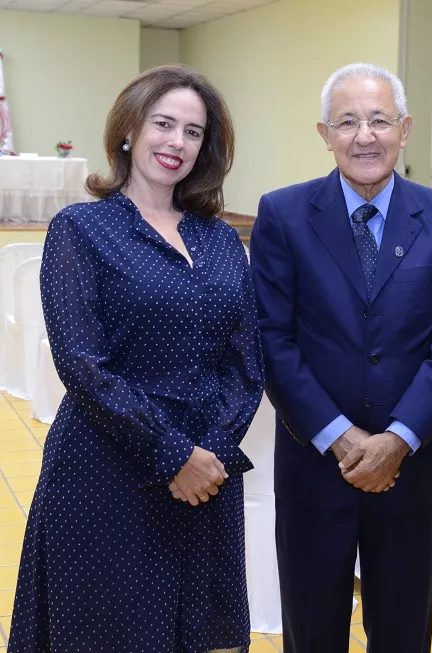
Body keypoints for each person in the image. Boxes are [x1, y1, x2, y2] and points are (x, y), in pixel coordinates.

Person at [8, 65, 264, 653]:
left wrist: (211, 453)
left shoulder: (220, 238)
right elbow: (81, 362)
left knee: (197, 634)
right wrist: (172, 454)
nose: (177, 142)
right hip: (108, 467)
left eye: (193, 132)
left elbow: (246, 360)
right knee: (108, 634)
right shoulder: (82, 229)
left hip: (206, 472)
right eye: (163, 123)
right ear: (129, 131)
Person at [250, 62, 432, 653]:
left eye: (379, 120)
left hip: (407, 467)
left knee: (403, 630)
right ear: (324, 134)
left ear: (404, 129)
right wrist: (341, 437)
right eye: (347, 121)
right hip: (314, 463)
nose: (364, 135)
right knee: (313, 629)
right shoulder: (282, 215)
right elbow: (273, 339)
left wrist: (397, 440)